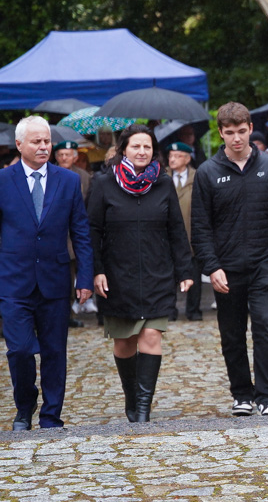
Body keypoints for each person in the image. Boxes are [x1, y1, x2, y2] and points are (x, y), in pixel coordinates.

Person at [88, 125, 194, 422]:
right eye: (136, 146)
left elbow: (176, 229)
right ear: (124, 150)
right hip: (117, 276)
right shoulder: (103, 183)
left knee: (150, 336)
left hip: (157, 273)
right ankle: (132, 400)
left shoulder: (163, 183)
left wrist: (184, 269)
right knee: (124, 344)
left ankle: (143, 411)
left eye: (147, 147)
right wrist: (95, 271)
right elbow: (92, 231)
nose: (142, 152)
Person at [192, 102, 268, 417]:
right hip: (227, 268)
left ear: (250, 129)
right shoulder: (208, 173)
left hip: (266, 263)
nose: (237, 138)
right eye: (230, 132)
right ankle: (241, 394)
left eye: (242, 131)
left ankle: (267, 395)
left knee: (266, 326)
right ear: (221, 133)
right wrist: (212, 266)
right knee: (232, 333)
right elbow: (201, 226)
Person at [0, 116, 93, 430]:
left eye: (47, 141)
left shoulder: (67, 181)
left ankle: (51, 415)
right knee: (20, 350)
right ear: (19, 144)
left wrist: (85, 277)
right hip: (14, 282)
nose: (43, 147)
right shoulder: (3, 180)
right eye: (36, 142)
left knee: (55, 352)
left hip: (55, 280)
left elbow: (80, 231)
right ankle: (24, 408)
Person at [54, 140, 97, 317]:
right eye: (61, 155)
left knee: (81, 266)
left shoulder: (84, 177)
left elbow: (89, 202)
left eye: (68, 154)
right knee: (64, 275)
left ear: (75, 156)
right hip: (58, 232)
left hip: (79, 229)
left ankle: (79, 303)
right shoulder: (51, 174)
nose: (64, 158)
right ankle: (65, 311)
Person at [166, 142, 202, 321]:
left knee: (194, 272)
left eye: (177, 156)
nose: (172, 159)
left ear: (187, 159)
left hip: (191, 234)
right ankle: (169, 310)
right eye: (170, 156)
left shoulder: (197, 177)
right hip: (168, 236)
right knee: (168, 276)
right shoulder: (163, 177)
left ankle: (194, 310)